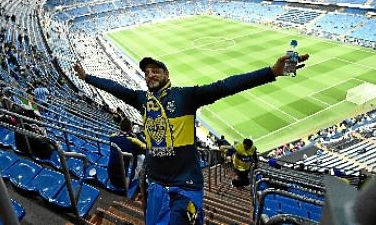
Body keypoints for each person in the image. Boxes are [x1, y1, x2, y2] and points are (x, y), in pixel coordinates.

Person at [74, 52, 308, 225]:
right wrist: (87, 77)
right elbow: (115, 88)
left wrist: (271, 72)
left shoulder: (186, 96)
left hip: (184, 186)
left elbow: (225, 86)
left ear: (167, 74)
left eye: (156, 70)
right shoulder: (141, 99)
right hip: (155, 184)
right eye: (146, 72)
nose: (150, 74)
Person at [108, 118, 146, 189]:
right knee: (142, 158)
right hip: (125, 181)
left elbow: (122, 139)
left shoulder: (112, 138)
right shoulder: (133, 142)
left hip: (111, 176)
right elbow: (146, 148)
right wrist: (138, 134)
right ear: (131, 128)